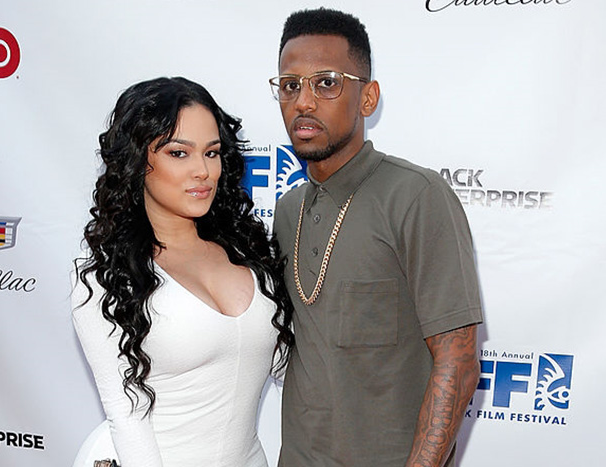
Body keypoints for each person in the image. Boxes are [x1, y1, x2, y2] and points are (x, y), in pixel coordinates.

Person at [270, 8, 483, 467]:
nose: (303, 101)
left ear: (367, 98)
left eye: (326, 83)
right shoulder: (288, 212)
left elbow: (459, 361)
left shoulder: (417, 196)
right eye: (289, 85)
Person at [72, 77, 293, 467]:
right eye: (179, 153)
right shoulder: (106, 276)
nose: (203, 171)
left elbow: (289, 369)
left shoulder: (249, 252)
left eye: (212, 153)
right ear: (138, 160)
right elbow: (127, 417)